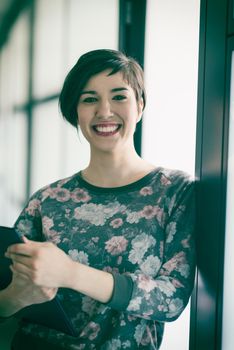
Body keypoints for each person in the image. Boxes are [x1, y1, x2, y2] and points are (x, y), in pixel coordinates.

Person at [0, 49, 196, 349]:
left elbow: (170, 299)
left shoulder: (175, 190)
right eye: (89, 99)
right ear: (75, 112)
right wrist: (17, 297)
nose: (104, 111)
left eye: (119, 97)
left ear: (140, 106)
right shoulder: (48, 199)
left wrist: (70, 273)